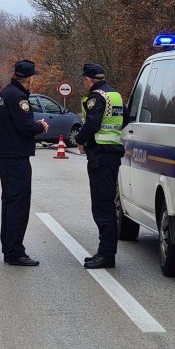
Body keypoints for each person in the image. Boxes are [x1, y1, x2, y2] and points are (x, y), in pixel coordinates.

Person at [0, 59, 49, 266]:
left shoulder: (6, 92)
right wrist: (40, 126)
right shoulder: (18, 97)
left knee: (9, 203)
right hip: (16, 157)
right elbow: (24, 127)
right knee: (18, 204)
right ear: (29, 78)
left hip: (7, 156)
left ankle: (9, 248)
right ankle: (15, 251)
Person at [74, 63, 126, 269]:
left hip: (100, 157)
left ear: (88, 79)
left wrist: (80, 139)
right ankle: (105, 252)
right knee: (107, 203)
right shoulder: (115, 96)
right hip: (112, 154)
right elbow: (126, 118)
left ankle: (106, 255)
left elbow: (93, 123)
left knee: (103, 206)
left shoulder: (97, 97)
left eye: (84, 80)